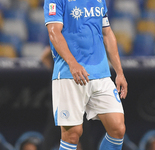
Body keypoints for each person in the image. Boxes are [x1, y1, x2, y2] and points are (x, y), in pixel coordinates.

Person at [43, 0, 128, 149]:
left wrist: (119, 72)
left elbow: (107, 33)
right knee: (72, 135)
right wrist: (72, 63)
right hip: (69, 75)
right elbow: (53, 32)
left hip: (101, 74)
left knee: (118, 129)